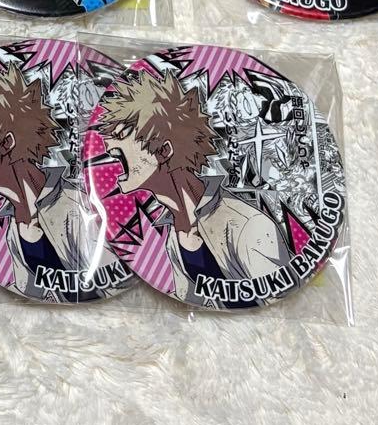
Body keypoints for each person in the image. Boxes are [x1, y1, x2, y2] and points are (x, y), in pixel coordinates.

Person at [94, 70, 289, 307]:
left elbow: (272, 299)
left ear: (164, 151)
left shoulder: (247, 225)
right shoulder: (174, 233)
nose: (108, 144)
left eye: (121, 134)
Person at [0, 61, 124, 301]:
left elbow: (107, 279)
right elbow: (29, 290)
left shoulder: (72, 205)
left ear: (6, 142)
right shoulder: (14, 224)